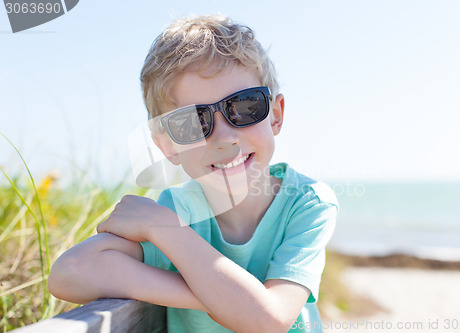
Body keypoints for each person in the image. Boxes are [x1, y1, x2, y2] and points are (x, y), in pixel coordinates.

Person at [48, 14, 338, 333]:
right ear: (167, 145)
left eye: (244, 107)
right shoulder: (177, 210)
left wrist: (172, 233)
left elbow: (269, 321)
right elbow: (70, 272)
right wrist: (222, 299)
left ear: (276, 115)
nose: (225, 138)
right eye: (192, 123)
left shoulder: (307, 204)